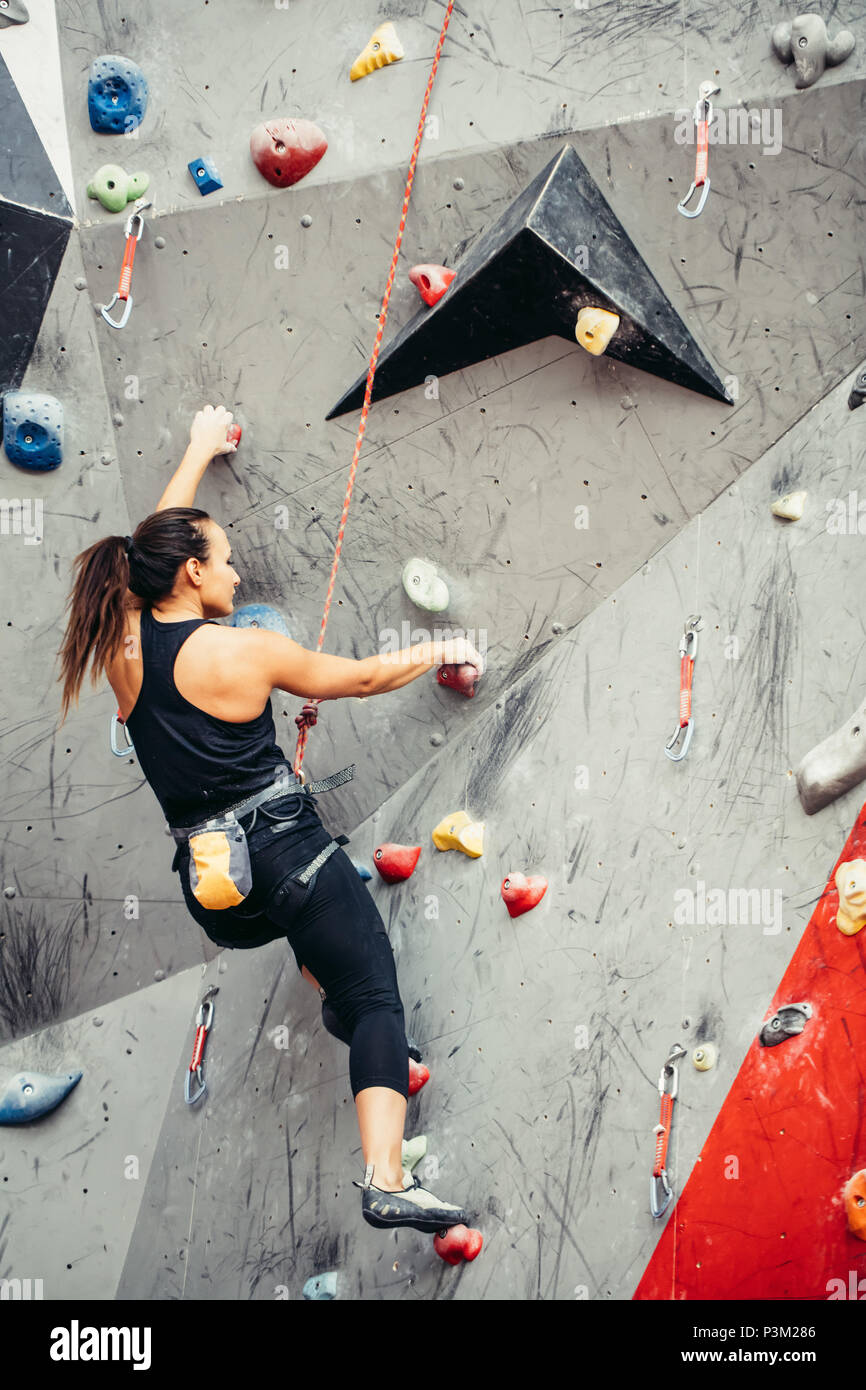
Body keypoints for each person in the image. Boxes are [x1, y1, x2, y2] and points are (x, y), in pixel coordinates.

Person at [56, 403, 484, 1234]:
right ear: (190, 574)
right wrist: (438, 649)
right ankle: (387, 1177)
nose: (238, 577)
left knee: (316, 945)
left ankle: (340, 1010)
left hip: (217, 890)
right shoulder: (243, 651)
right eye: (224, 561)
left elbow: (153, 543)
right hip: (286, 851)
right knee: (373, 998)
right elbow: (355, 680)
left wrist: (196, 449)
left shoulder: (122, 651)